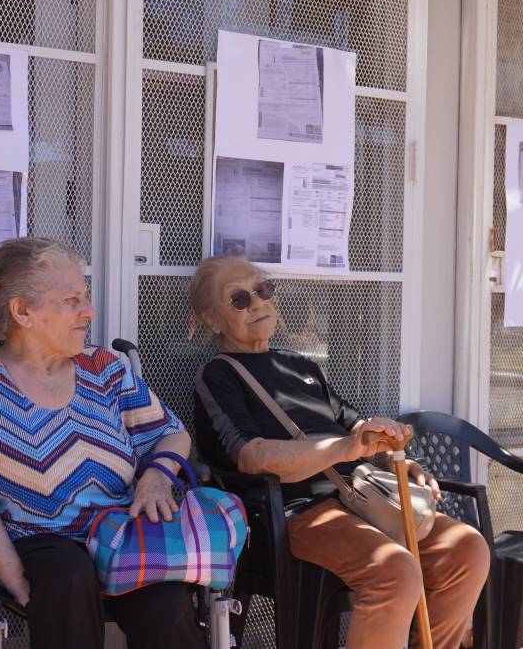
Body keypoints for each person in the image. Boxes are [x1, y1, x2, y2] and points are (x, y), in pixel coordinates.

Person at [190, 253, 490, 649]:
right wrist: (345, 449)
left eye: (263, 290)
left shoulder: (300, 366)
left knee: (468, 549)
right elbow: (253, 457)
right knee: (395, 570)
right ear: (211, 319)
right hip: (293, 512)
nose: (259, 303)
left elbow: (356, 427)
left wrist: (396, 454)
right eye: (239, 299)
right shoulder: (221, 374)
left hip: (362, 497)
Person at [0, 237, 203, 649]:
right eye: (72, 299)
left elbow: (170, 432)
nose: (88, 311)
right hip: (35, 540)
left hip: (121, 534)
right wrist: (16, 581)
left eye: (85, 296)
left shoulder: (104, 366)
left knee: (167, 605)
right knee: (68, 575)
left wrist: (158, 476)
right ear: (22, 311)